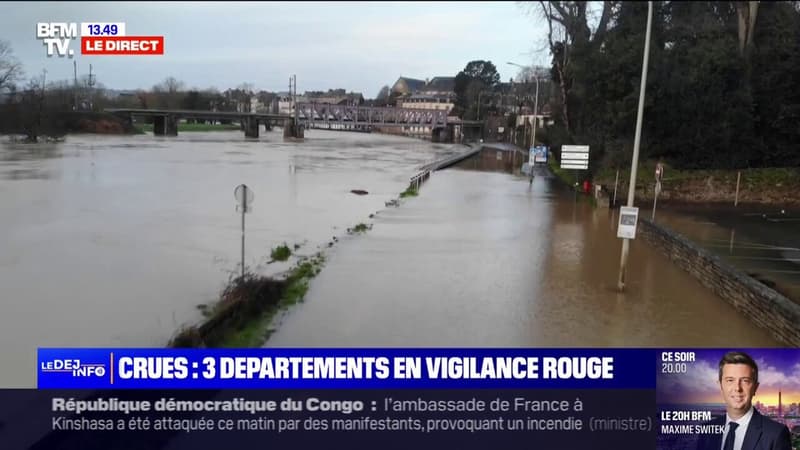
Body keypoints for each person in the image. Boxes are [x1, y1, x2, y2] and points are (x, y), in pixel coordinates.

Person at [697, 351, 792, 450]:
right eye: (730, 380)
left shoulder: (776, 434)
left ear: (755, 387)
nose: (737, 388)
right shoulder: (706, 431)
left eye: (745, 381)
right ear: (720, 386)